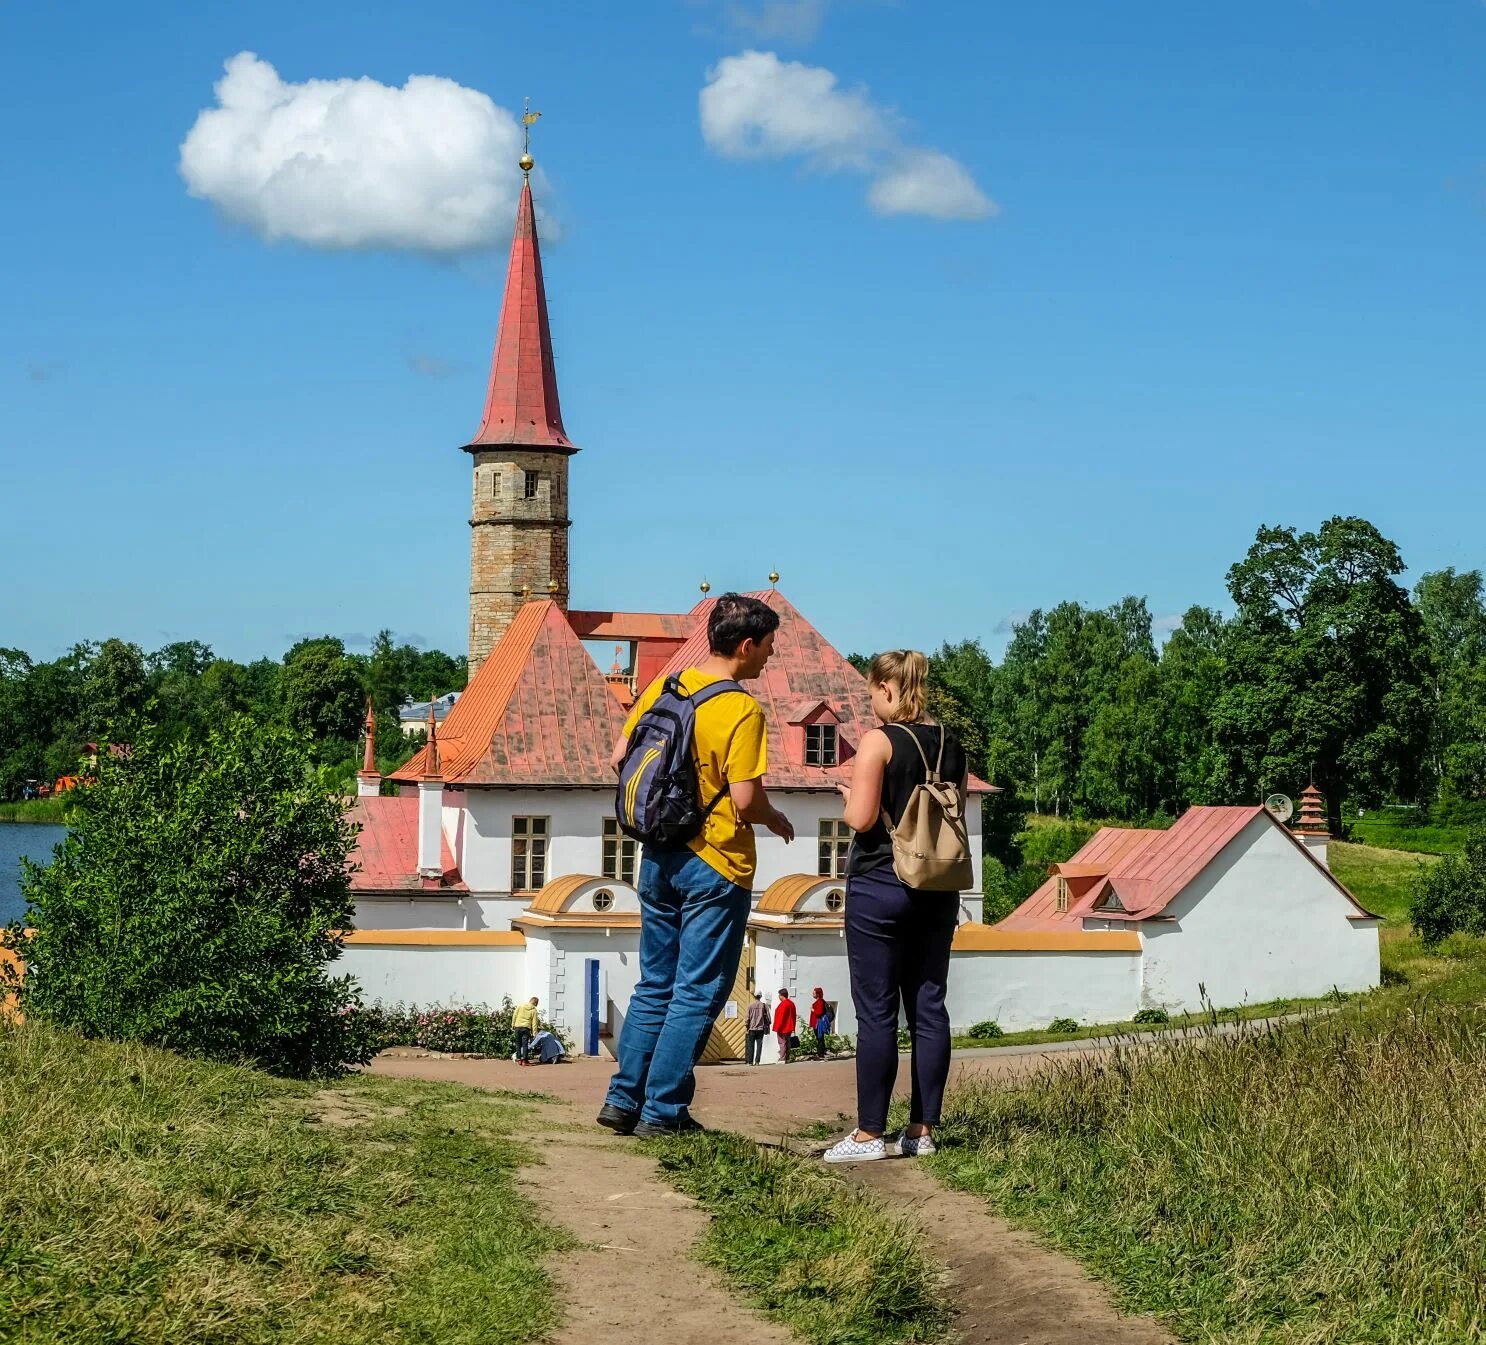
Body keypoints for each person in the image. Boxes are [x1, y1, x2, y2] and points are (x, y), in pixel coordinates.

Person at [597, 594, 795, 1137]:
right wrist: (775, 820)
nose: (770, 658)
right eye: (769, 648)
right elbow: (746, 798)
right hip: (715, 862)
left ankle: (622, 1101)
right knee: (698, 989)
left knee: (654, 984)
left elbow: (620, 757)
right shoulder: (741, 709)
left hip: (658, 855)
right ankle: (663, 1112)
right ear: (746, 645)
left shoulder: (667, 685)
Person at [824, 650, 968, 1163]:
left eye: (872, 692)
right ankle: (922, 1130)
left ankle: (868, 1135)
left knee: (878, 1012)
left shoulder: (878, 742)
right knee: (929, 1007)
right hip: (937, 885)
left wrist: (847, 796)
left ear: (887, 688)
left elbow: (863, 819)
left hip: (881, 884)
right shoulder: (952, 744)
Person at [512, 996, 540, 1066]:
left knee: (518, 1043)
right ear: (536, 1003)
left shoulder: (520, 1006)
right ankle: (525, 1060)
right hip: (526, 1028)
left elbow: (514, 1015)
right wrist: (534, 1032)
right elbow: (534, 1022)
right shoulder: (534, 1010)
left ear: (530, 1001)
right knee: (525, 1045)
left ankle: (519, 1060)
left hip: (517, 1027)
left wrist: (513, 1024)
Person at [744, 991, 769, 1066]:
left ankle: (750, 1062)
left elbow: (747, 1018)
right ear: (760, 997)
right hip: (760, 1029)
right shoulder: (764, 1006)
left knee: (751, 1045)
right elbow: (768, 1018)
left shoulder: (750, 1006)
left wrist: (746, 1026)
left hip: (752, 1028)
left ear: (754, 996)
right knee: (759, 1045)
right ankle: (757, 1061)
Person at [772, 987, 797, 1063]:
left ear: (781, 995)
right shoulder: (791, 1003)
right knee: (788, 1042)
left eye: (779, 995)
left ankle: (782, 1058)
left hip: (783, 1026)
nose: (779, 997)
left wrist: (777, 1027)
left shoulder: (783, 1004)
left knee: (782, 1042)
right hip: (789, 1026)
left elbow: (781, 1017)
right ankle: (787, 1057)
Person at [808, 987, 833, 1059]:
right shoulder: (819, 1001)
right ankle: (821, 1052)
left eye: (814, 993)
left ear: (818, 994)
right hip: (817, 1022)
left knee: (819, 1038)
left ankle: (820, 1054)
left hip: (818, 1023)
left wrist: (813, 1010)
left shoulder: (820, 1001)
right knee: (820, 1038)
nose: (813, 994)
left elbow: (819, 1012)